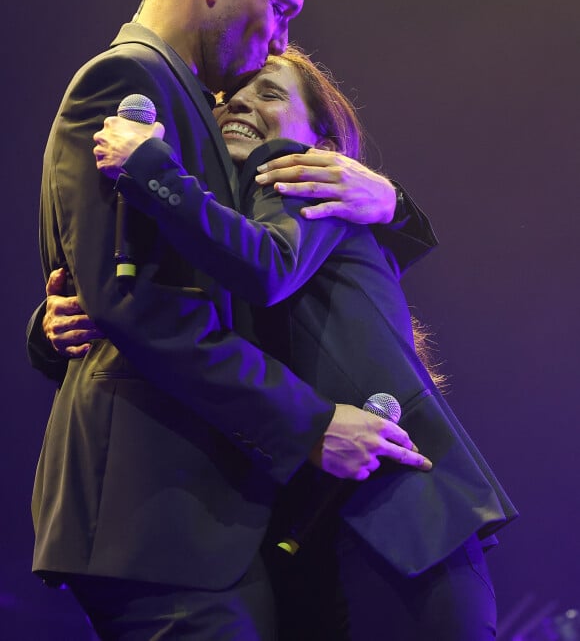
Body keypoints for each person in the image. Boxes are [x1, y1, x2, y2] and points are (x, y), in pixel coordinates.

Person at [30, 0, 433, 640]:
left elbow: (209, 274)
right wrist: (312, 423)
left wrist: (393, 206)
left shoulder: (190, 101)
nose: (280, 41)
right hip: (157, 516)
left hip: (194, 518)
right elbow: (145, 305)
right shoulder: (131, 81)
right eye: (280, 8)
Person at [41, 46, 516, 639]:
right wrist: (58, 323)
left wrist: (150, 169)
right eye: (226, 95)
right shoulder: (219, 226)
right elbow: (177, 326)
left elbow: (267, 267)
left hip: (393, 531)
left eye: (269, 92)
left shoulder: (306, 179)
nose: (238, 100)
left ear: (321, 137)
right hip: (302, 537)